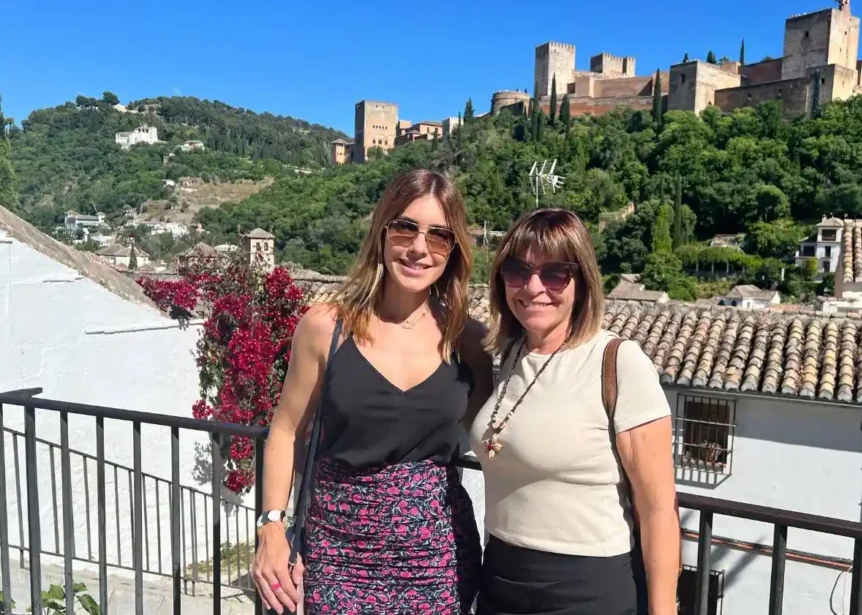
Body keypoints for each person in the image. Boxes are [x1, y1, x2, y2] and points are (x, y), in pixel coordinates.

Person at [251, 169, 492, 615]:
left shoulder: (467, 340)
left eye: (439, 236)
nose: (419, 248)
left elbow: (493, 437)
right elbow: (284, 431)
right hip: (335, 554)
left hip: (437, 562)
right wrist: (270, 528)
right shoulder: (326, 327)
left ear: (453, 251)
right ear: (382, 233)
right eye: (405, 228)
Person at [469, 208, 680, 615]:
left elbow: (658, 510)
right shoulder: (512, 354)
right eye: (518, 270)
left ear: (581, 282)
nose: (533, 287)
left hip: (584, 591)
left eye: (554, 274)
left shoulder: (617, 362)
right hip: (499, 579)